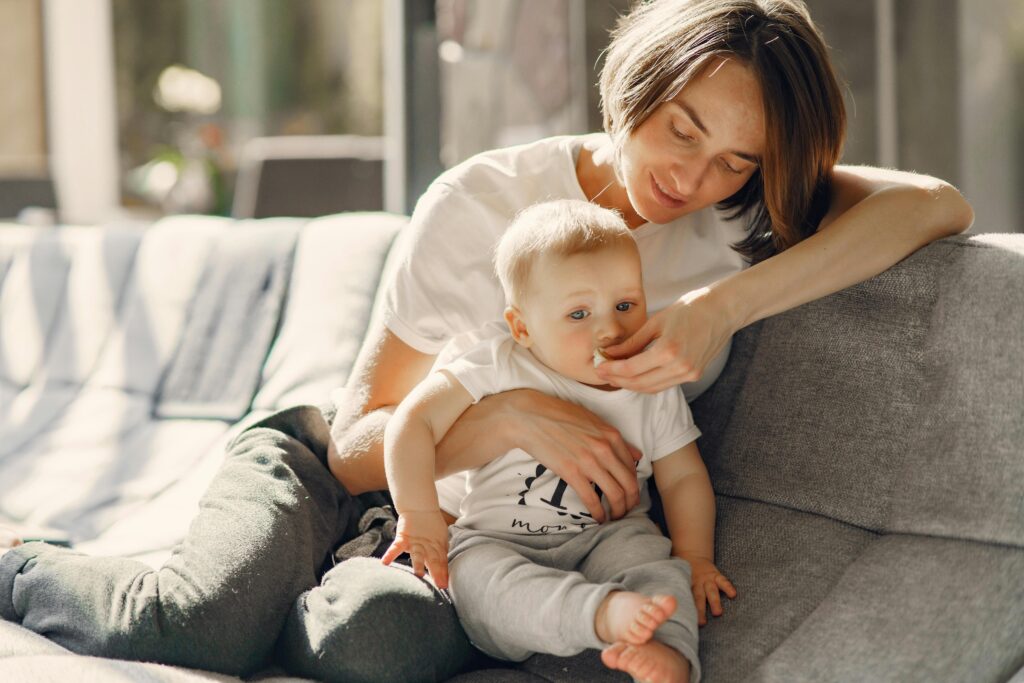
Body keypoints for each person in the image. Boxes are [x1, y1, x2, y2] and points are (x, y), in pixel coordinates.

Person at [1, 1, 973, 682]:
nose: (696, 173)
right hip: (346, 465)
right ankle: (21, 563)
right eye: (681, 129)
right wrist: (511, 417)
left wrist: (721, 306)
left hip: (491, 533)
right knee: (191, 622)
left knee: (383, 648)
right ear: (635, 84)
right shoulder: (482, 200)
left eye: (735, 159)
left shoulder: (735, 219)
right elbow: (353, 445)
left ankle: (325, 605)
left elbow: (935, 204)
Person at [382, 199, 732, 683]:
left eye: (625, 305)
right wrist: (419, 516)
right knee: (481, 585)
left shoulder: (651, 382)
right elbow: (411, 422)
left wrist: (695, 557)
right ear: (522, 328)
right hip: (496, 542)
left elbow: (684, 477)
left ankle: (668, 652)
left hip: (610, 537)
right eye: (579, 313)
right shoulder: (498, 364)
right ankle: (599, 616)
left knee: (660, 571)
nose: (609, 328)